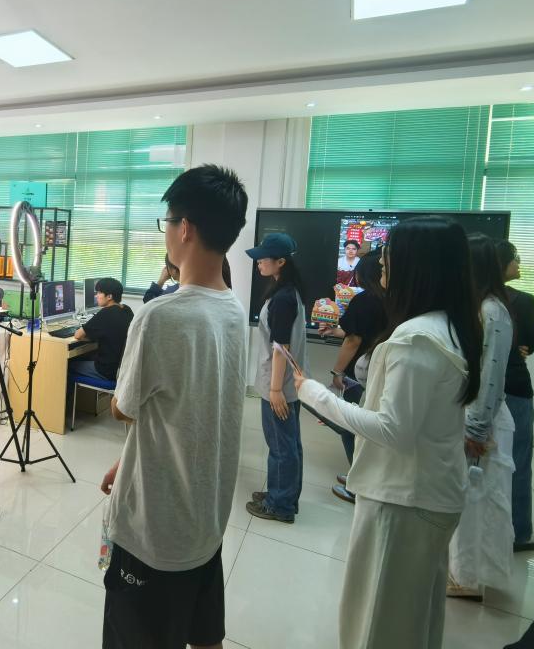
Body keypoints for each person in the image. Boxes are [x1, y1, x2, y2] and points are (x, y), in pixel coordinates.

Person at [295, 216, 483, 649]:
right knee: (412, 618)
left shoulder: (415, 340)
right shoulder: (450, 325)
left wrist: (315, 394)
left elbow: (393, 430)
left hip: (404, 501)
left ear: (419, 266)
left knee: (379, 622)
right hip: (426, 493)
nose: (381, 263)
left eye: (390, 256)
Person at [100, 164, 248, 649]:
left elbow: (123, 408)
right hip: (206, 521)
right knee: (203, 636)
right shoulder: (233, 309)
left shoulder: (161, 315)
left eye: (166, 222)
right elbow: (195, 407)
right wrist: (129, 460)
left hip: (154, 533)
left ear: (185, 228)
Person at [447, 233, 515, 600]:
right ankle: (461, 571)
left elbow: (491, 375)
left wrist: (475, 428)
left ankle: (468, 579)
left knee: (476, 500)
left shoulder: (492, 311)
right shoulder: (478, 307)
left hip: (482, 420)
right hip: (471, 414)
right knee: (466, 496)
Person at [245, 232, 308, 524]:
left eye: (263, 258)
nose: (258, 262)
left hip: (279, 384)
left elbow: (281, 348)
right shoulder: (288, 291)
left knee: (281, 446)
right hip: (286, 383)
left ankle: (279, 505)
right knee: (289, 443)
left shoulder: (283, 298)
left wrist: (274, 390)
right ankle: (284, 495)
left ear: (281, 261)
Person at [318, 249, 387, 502]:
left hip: (359, 373)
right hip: (380, 372)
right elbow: (353, 331)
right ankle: (359, 477)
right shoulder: (392, 299)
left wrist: (337, 372)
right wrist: (334, 330)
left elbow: (353, 340)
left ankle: (359, 486)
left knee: (351, 427)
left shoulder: (365, 300)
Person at [495, 239, 534, 552]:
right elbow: (529, 343)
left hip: (479, 387)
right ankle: (519, 532)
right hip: (515, 387)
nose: (519, 263)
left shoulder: (472, 299)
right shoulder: (523, 301)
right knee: (518, 460)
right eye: (516, 258)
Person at [71, 277, 133, 381]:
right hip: (122, 368)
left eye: (99, 293)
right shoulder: (126, 310)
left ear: (109, 296)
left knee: (68, 364)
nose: (96, 296)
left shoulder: (106, 313)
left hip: (106, 370)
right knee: (86, 356)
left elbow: (78, 335)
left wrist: (89, 337)